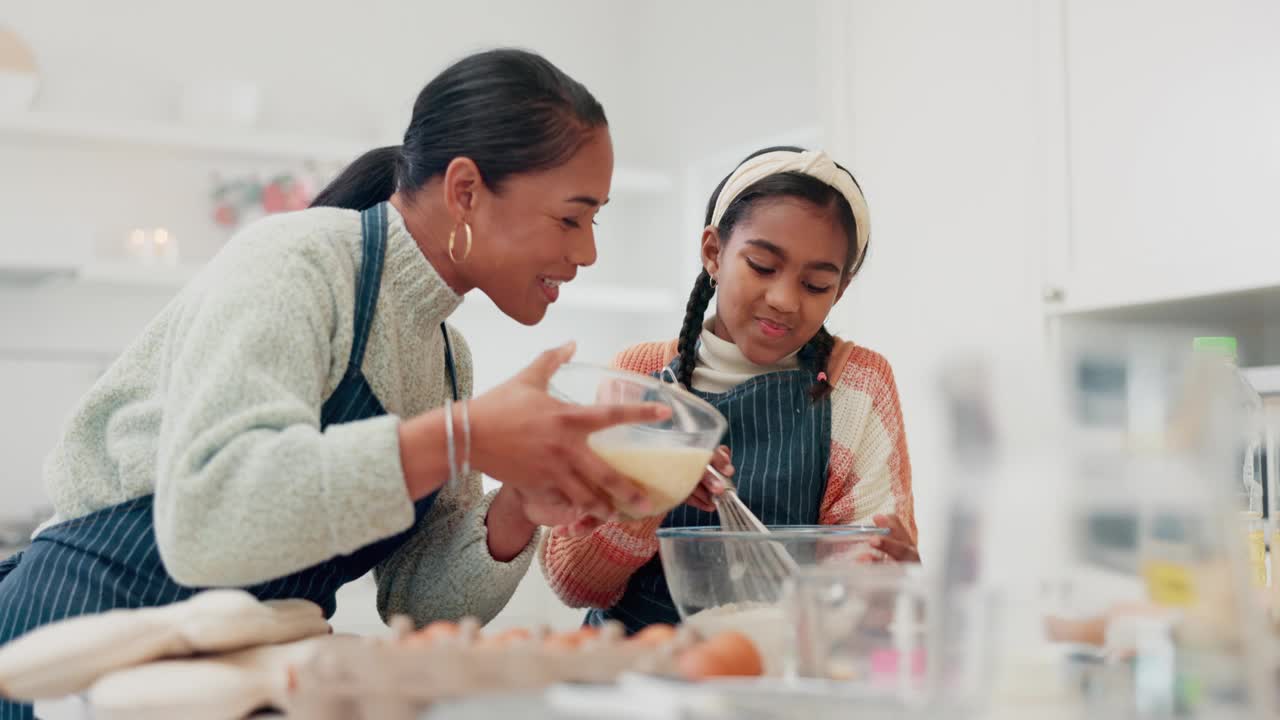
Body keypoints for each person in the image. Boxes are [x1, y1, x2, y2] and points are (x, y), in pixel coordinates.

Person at [0, 48, 663, 719]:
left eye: (595, 220)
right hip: (82, 649)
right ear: (465, 190)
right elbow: (208, 521)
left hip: (240, 682)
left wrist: (520, 501)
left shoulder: (445, 357)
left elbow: (418, 604)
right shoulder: (299, 263)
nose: (586, 253)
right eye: (570, 218)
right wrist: (462, 437)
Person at [540, 146, 919, 632]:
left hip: (781, 676)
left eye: (816, 285)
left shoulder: (859, 386)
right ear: (713, 253)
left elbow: (865, 592)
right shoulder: (639, 378)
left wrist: (888, 580)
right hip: (638, 675)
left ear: (839, 290)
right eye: (762, 266)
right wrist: (648, 495)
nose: (784, 300)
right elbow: (574, 583)